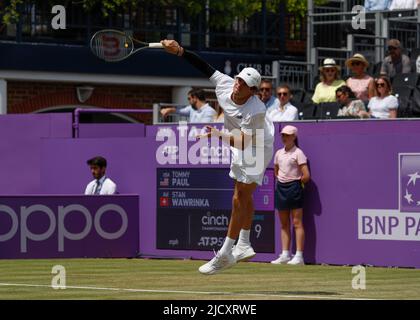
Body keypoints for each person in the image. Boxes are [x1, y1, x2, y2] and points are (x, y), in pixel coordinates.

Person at [160, 39, 274, 275]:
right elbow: (202, 65)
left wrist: (218, 134)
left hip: (257, 144)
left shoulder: (256, 109)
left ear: (252, 92)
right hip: (238, 140)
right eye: (239, 79)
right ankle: (243, 244)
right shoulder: (226, 83)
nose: (237, 85)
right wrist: (179, 51)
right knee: (243, 194)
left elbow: (245, 142)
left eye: (243, 84)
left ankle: (225, 254)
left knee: (239, 197)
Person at [271, 125, 310, 265]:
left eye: (287, 135)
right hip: (281, 188)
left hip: (294, 188)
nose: (284, 138)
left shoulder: (298, 153)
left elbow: (306, 175)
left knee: (297, 222)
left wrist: (296, 183)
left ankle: (299, 256)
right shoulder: (278, 153)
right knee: (284, 223)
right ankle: (285, 254)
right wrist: (282, 180)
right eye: (283, 135)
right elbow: (276, 171)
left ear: (294, 137)